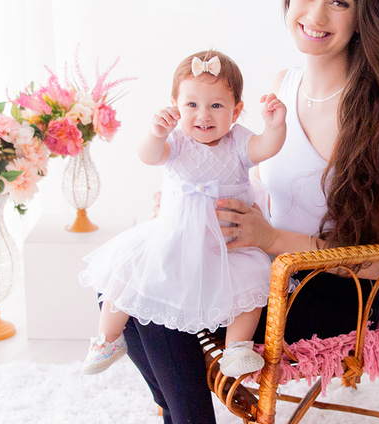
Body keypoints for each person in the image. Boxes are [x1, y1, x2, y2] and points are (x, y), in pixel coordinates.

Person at [108, 0, 379, 424]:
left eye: (340, 1)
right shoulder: (286, 83)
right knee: (124, 278)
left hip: (330, 289)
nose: (316, 14)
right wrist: (190, 203)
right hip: (264, 260)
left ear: (364, 15)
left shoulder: (378, 116)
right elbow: (249, 173)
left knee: (156, 303)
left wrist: (271, 240)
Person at [78, 50, 287, 379]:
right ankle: (108, 338)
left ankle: (237, 348)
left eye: (216, 105)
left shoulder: (238, 143)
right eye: (192, 104)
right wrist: (156, 133)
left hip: (227, 247)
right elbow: (148, 156)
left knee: (252, 280)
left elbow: (266, 148)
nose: (203, 115)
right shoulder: (175, 141)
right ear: (175, 106)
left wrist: (275, 126)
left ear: (236, 111)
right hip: (174, 239)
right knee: (126, 271)